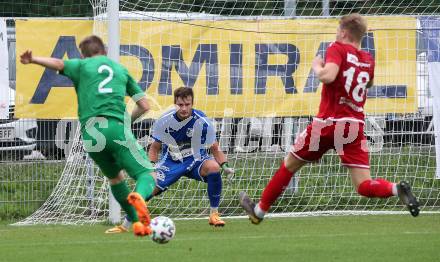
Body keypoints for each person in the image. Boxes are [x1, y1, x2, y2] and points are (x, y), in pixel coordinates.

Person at [239, 13, 420, 224]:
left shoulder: (337, 47)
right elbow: (368, 83)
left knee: (289, 164)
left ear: (343, 32)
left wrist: (317, 65)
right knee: (363, 185)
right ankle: (396, 188)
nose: (336, 33)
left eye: (337, 30)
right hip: (354, 126)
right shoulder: (367, 60)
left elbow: (328, 76)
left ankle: (259, 211)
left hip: (328, 123)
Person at [20, 35, 156, 236]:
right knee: (147, 174)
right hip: (115, 129)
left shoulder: (81, 66)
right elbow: (145, 106)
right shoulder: (121, 70)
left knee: (116, 179)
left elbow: (58, 63)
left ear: (83, 54)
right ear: (104, 51)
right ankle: (139, 196)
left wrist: (33, 59)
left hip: (91, 135)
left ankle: (138, 223)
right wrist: (126, 121)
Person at [105, 86, 234, 233]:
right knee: (149, 188)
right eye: (180, 105)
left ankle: (214, 214)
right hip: (170, 163)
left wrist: (225, 166)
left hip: (195, 160)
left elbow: (215, 148)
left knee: (213, 167)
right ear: (175, 104)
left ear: (192, 103)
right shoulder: (165, 121)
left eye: (187, 104)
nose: (184, 108)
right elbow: (154, 148)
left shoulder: (202, 120)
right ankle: (125, 225)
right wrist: (150, 167)